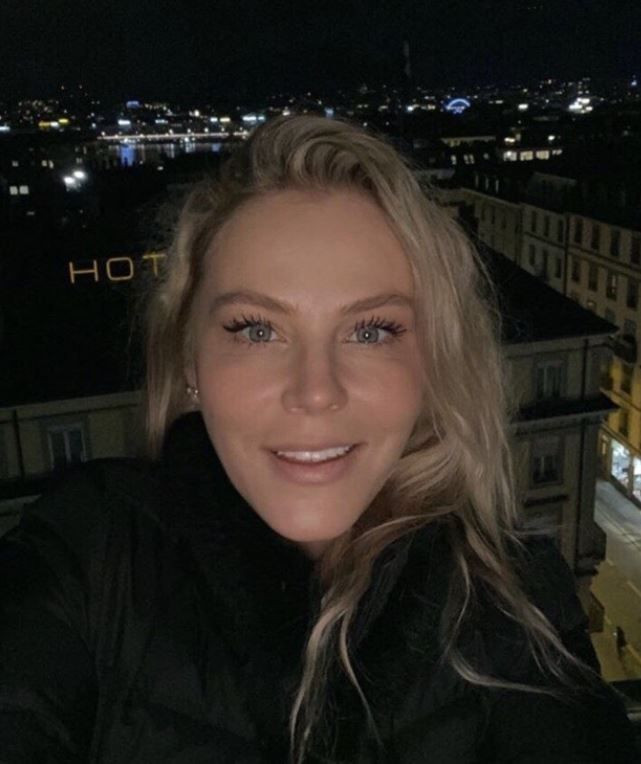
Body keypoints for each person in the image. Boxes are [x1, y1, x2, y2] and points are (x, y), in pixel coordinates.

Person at [0, 114, 638, 764]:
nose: (314, 391)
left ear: (432, 363)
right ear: (190, 360)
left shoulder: (515, 601)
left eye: (370, 331)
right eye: (256, 329)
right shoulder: (90, 557)